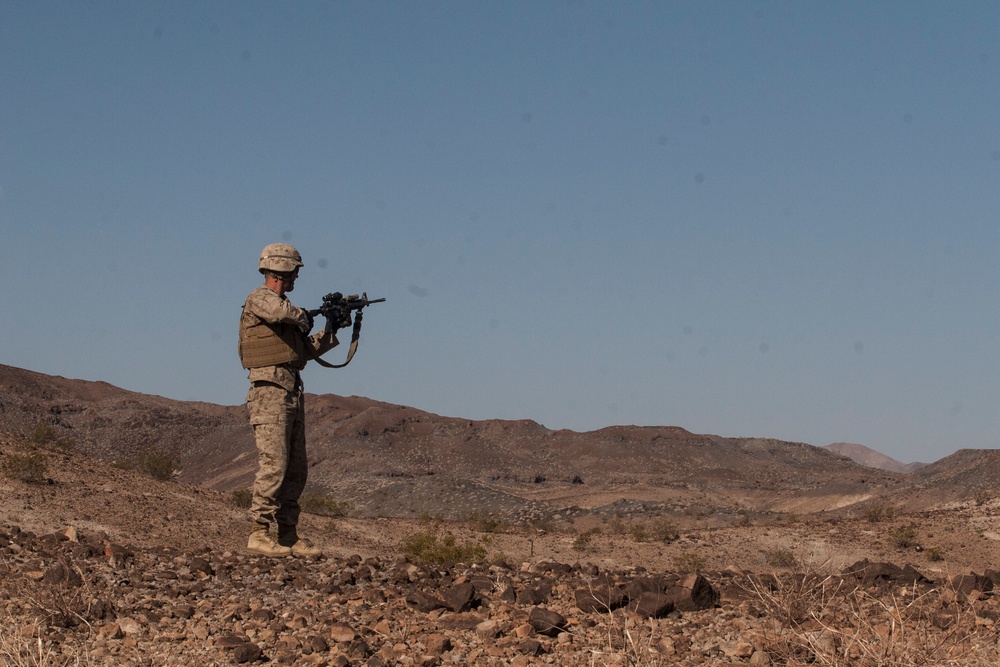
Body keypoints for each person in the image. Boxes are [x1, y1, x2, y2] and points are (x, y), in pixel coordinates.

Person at [238, 243, 338, 558]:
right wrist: (305, 316)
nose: (296, 276)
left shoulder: (286, 312)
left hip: (291, 390)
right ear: (282, 270)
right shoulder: (261, 299)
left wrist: (332, 328)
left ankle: (288, 534)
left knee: (295, 469)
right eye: (294, 270)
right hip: (269, 391)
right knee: (274, 464)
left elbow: (304, 351)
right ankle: (259, 533)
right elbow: (283, 312)